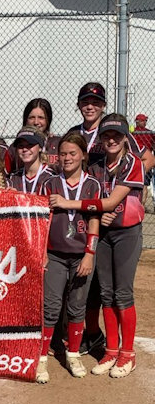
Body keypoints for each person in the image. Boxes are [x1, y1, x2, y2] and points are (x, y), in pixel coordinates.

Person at [51, 114, 145, 378]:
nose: (111, 140)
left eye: (116, 135)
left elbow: (109, 202)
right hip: (104, 233)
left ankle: (128, 354)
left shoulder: (132, 163)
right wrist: (100, 211)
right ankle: (111, 350)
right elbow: (96, 201)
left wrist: (69, 204)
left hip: (127, 233)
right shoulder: (97, 165)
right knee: (106, 293)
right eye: (106, 136)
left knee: (122, 292)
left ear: (125, 137)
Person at [67, 83, 153, 355]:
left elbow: (147, 158)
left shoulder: (120, 137)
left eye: (95, 101)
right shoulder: (75, 134)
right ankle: (97, 339)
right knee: (97, 287)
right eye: (85, 101)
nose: (90, 106)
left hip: (118, 220)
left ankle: (122, 351)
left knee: (120, 290)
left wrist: (128, 193)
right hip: (93, 218)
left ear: (103, 105)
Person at [36, 133, 101, 383]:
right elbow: (43, 221)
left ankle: (73, 353)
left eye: (73, 153)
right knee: (51, 307)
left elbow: (94, 221)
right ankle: (42, 358)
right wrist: (42, 252)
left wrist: (89, 254)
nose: (67, 158)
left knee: (76, 307)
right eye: (63, 153)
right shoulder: (50, 183)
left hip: (81, 256)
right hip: (54, 254)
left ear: (83, 155)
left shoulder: (92, 184)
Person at [6, 99, 60, 172]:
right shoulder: (15, 147)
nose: (36, 122)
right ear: (26, 120)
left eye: (41, 117)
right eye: (32, 117)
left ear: (48, 120)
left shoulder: (58, 144)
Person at [8, 127, 54, 194]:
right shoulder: (14, 178)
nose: (24, 149)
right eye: (20, 146)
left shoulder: (50, 176)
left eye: (30, 145)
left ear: (40, 148)